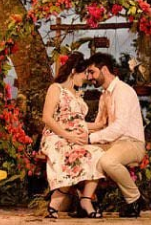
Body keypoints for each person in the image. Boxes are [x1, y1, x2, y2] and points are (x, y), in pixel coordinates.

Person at [40, 51, 108, 218]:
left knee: (98, 154)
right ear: (73, 71)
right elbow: (47, 118)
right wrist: (68, 136)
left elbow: (78, 122)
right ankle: (56, 202)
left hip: (76, 137)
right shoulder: (56, 89)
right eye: (84, 73)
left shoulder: (77, 94)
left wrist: (99, 125)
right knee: (70, 155)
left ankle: (86, 199)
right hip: (57, 136)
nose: (86, 77)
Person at [85, 52, 146, 218]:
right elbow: (100, 124)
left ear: (104, 69)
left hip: (131, 143)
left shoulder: (123, 91)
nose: (89, 77)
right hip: (115, 143)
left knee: (107, 161)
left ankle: (134, 199)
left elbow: (120, 127)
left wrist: (91, 138)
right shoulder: (105, 95)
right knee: (84, 154)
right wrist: (80, 132)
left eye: (92, 72)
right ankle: (89, 202)